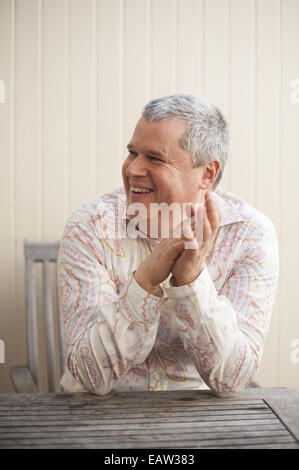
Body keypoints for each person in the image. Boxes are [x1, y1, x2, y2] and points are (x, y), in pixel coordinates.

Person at [57, 94, 279, 397]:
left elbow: (231, 378)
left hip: (194, 417)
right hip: (93, 415)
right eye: (132, 152)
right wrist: (146, 280)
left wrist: (191, 281)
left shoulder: (250, 235)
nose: (133, 169)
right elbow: (88, 374)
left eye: (154, 158)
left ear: (207, 174)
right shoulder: (90, 226)